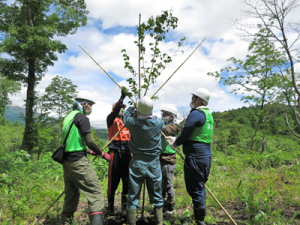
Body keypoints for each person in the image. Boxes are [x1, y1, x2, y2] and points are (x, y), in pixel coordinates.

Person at [61, 90, 111, 225]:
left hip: (67, 162)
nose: (90, 108)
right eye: (90, 105)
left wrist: (89, 152)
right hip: (78, 162)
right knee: (95, 194)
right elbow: (90, 141)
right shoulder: (82, 118)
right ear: (84, 104)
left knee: (71, 195)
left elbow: (74, 142)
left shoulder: (68, 117)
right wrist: (102, 154)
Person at [166, 88, 214, 225]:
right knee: (199, 185)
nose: (191, 100)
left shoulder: (196, 113)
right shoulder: (208, 114)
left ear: (197, 99)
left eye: (193, 97)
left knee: (195, 187)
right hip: (205, 155)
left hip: (195, 156)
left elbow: (187, 130)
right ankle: (199, 218)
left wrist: (175, 143)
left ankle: (200, 221)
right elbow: (196, 134)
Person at [122, 96, 164, 225]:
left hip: (137, 163)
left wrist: (132, 108)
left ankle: (131, 222)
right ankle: (159, 222)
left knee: (133, 195)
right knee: (157, 194)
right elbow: (158, 119)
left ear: (139, 109)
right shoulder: (158, 123)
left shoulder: (132, 123)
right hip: (154, 163)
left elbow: (125, 118)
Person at [106, 90, 131, 217]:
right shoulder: (111, 119)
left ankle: (125, 208)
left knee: (126, 181)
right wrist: (121, 98)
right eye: (120, 108)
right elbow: (115, 111)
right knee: (113, 181)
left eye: (123, 108)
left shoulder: (128, 121)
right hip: (114, 152)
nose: (122, 110)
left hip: (127, 152)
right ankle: (110, 207)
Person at [160, 105, 180, 214]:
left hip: (168, 158)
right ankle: (163, 204)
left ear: (172, 117)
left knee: (168, 183)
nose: (162, 115)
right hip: (161, 157)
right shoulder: (163, 125)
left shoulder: (172, 127)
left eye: (165, 113)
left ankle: (171, 208)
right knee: (162, 184)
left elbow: (164, 130)